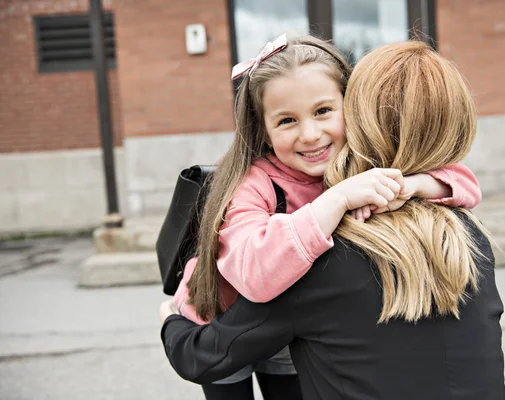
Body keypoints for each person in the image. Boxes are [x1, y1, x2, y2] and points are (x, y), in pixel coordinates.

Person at [170, 36, 486, 400]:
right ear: (264, 133)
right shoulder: (253, 183)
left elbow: (464, 184)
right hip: (219, 318)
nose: (310, 134)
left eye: (323, 111)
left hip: (286, 323)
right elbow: (254, 272)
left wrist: (408, 185)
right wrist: (334, 201)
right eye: (287, 120)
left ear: (349, 108)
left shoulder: (361, 163)